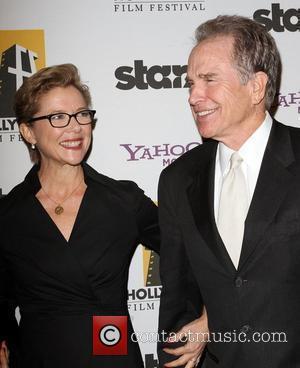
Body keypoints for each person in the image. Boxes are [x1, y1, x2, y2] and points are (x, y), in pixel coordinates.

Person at [158, 14, 300, 368]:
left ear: (256, 87)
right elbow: (179, 293)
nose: (193, 96)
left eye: (208, 80)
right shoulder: (177, 179)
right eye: (190, 82)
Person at [0, 63, 161, 368]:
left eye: (82, 114)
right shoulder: (8, 215)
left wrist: (202, 318)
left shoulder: (123, 200)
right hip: (39, 357)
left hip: (110, 351)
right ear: (27, 131)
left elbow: (190, 253)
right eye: (58, 117)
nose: (75, 127)